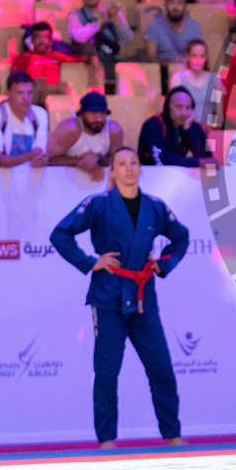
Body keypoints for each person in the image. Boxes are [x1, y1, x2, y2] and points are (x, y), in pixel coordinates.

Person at [49, 146, 189, 449]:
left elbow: (181, 237)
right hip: (108, 298)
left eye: (133, 163)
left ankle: (173, 435)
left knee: (162, 369)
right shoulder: (98, 204)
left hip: (143, 300)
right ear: (112, 171)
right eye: (121, 164)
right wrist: (90, 262)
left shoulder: (155, 206)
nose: (128, 168)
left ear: (140, 169)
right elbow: (60, 234)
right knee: (107, 373)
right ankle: (107, 440)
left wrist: (163, 264)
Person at [68, 0, 133, 87]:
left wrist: (116, 18)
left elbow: (128, 38)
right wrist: (100, 21)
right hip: (89, 61)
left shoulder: (114, 12)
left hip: (113, 59)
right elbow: (78, 37)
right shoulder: (75, 14)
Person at [47, 92, 124, 181]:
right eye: (93, 113)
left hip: (99, 181)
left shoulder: (114, 131)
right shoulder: (69, 129)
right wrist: (81, 163)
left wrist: (98, 159)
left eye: (102, 113)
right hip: (64, 182)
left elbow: (119, 160)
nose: (98, 119)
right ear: (82, 114)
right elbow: (49, 160)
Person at [10, 20, 90, 100]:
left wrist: (91, 58)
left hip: (53, 94)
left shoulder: (57, 56)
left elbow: (79, 60)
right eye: (37, 37)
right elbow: (14, 79)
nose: (41, 40)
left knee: (64, 87)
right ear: (32, 40)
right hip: (32, 92)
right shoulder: (24, 57)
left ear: (51, 41)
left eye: (45, 37)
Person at [0, 69, 49, 168]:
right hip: (0, 179)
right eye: (20, 93)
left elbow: (39, 154)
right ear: (8, 94)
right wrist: (27, 157)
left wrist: (42, 160)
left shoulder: (40, 114)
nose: (26, 98)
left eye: (30, 93)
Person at [138, 85, 213, 167]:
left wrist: (189, 129)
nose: (184, 113)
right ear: (167, 107)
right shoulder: (153, 124)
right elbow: (161, 159)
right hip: (151, 175)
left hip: (176, 175)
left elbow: (207, 158)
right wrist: (197, 162)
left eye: (188, 108)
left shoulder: (191, 124)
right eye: (179, 107)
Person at [169, 38, 223, 131]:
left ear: (206, 58)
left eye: (202, 56)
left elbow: (219, 115)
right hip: (184, 132)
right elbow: (171, 113)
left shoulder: (215, 79)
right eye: (194, 56)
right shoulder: (177, 79)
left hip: (207, 133)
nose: (198, 60)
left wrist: (209, 125)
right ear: (188, 56)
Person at [144, 0, 203, 65]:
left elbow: (198, 54)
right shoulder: (154, 26)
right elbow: (151, 58)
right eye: (171, 2)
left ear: (185, 6)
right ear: (165, 5)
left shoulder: (194, 26)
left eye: (179, 3)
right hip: (163, 70)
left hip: (188, 70)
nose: (175, 7)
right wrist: (168, 64)